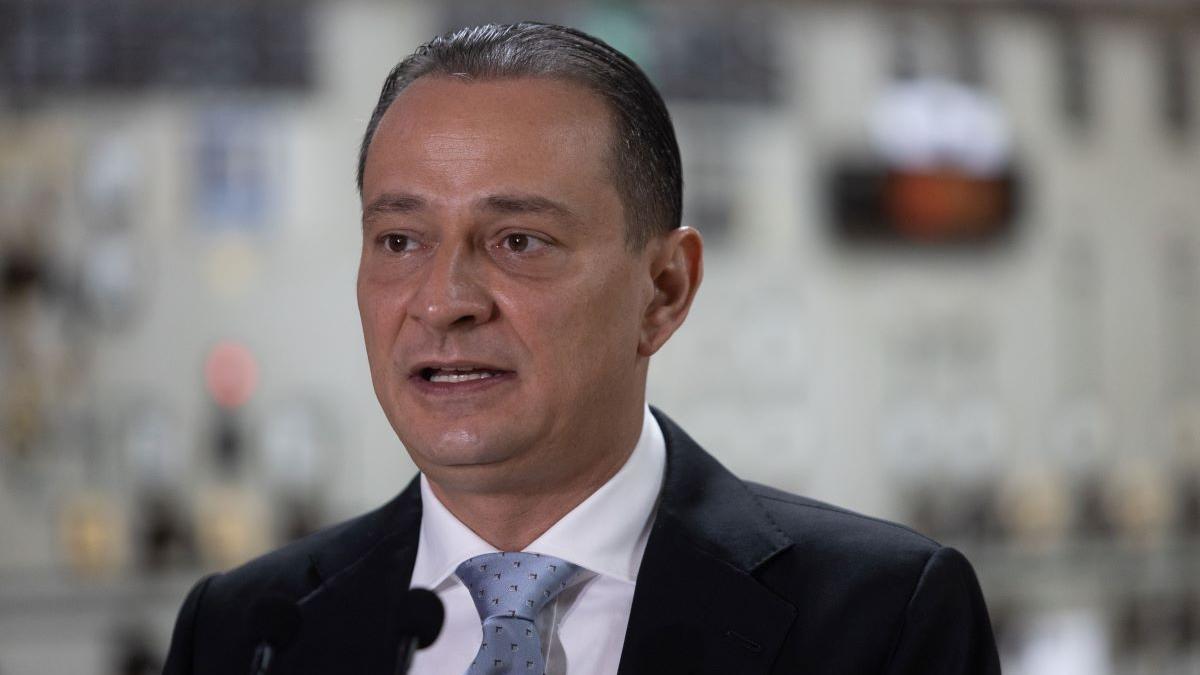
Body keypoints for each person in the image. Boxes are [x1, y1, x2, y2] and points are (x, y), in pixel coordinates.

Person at [163, 22, 1000, 675]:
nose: (444, 301)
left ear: (664, 289)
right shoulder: (242, 632)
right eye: (399, 240)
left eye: (518, 241)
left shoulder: (883, 618)